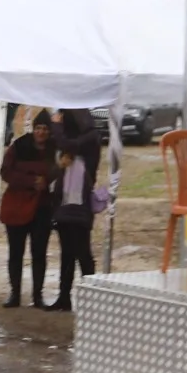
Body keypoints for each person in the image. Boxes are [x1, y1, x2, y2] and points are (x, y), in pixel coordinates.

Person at [0, 111, 60, 309]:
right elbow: (6, 172)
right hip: (16, 207)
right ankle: (15, 294)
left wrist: (47, 180)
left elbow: (58, 171)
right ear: (33, 130)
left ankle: (37, 295)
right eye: (38, 128)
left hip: (42, 208)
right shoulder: (19, 146)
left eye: (45, 129)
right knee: (16, 252)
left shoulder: (54, 149)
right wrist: (31, 181)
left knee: (39, 253)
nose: (41, 132)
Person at [50, 108, 105, 311]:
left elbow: (67, 145)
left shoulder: (89, 137)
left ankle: (91, 300)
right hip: (66, 205)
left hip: (80, 206)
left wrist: (56, 127)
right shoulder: (77, 139)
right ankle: (64, 298)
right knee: (67, 254)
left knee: (83, 253)